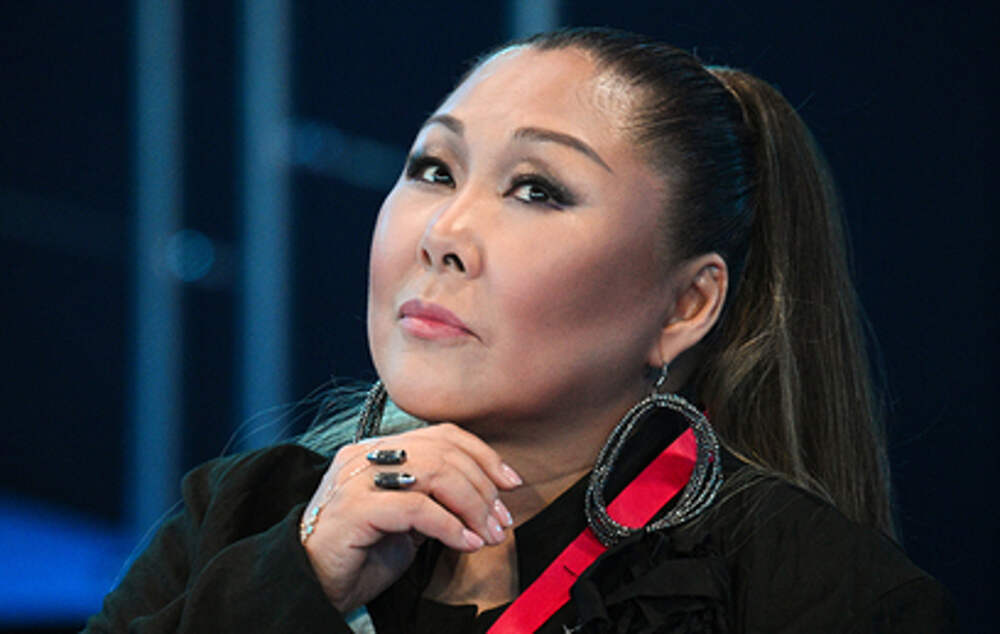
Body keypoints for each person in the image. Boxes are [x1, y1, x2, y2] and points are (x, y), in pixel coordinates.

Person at [85, 28, 955, 633]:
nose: (444, 234)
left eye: (536, 190)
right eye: (434, 169)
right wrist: (295, 588)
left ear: (686, 306)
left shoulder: (820, 597)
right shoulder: (241, 517)